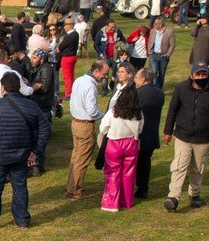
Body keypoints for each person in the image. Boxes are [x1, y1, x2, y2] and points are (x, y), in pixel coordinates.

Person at [0, 72, 50, 229]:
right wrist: (36, 151)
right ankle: (22, 220)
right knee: (20, 187)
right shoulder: (31, 106)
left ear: (3, 88)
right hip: (21, 155)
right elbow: (45, 130)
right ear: (20, 87)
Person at [163, 62, 209, 212]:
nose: (201, 77)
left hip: (204, 137)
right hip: (183, 135)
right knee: (179, 165)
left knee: (198, 167)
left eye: (204, 74)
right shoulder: (180, 88)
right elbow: (172, 110)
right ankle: (173, 197)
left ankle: (195, 194)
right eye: (198, 74)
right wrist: (167, 131)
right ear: (192, 75)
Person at [65, 60, 109, 200]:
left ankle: (70, 186)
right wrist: (105, 116)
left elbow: (72, 100)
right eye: (104, 74)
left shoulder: (79, 80)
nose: (105, 77)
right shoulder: (91, 87)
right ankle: (75, 191)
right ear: (96, 72)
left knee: (76, 157)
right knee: (82, 160)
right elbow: (92, 111)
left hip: (75, 123)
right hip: (85, 125)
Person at [96, 84, 144, 212]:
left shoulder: (113, 112)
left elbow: (103, 128)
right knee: (129, 174)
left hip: (114, 143)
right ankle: (126, 201)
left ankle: (111, 204)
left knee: (112, 173)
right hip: (131, 144)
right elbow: (140, 129)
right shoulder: (138, 113)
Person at [132, 68, 166, 200]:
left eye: (136, 77)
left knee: (135, 163)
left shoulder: (137, 93)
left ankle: (133, 187)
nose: (135, 79)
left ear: (143, 79)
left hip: (138, 134)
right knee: (145, 162)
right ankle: (143, 188)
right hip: (152, 134)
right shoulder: (160, 93)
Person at [148, 17, 175, 90]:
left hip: (164, 56)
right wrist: (149, 52)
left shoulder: (169, 31)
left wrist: (168, 54)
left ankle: (159, 89)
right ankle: (153, 89)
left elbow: (172, 44)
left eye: (155, 23)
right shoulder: (153, 31)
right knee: (154, 72)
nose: (154, 25)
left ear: (160, 24)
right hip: (154, 55)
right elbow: (150, 41)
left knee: (162, 74)